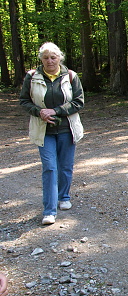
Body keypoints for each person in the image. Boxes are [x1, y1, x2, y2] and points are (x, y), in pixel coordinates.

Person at [19, 42, 85, 226]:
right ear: (41, 59)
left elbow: (79, 102)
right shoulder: (32, 77)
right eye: (46, 57)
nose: (49, 61)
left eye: (53, 57)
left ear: (59, 58)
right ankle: (49, 210)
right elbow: (24, 101)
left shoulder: (71, 76)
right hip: (43, 130)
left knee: (65, 166)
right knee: (49, 167)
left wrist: (55, 110)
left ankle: (64, 196)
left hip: (67, 129)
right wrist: (39, 112)